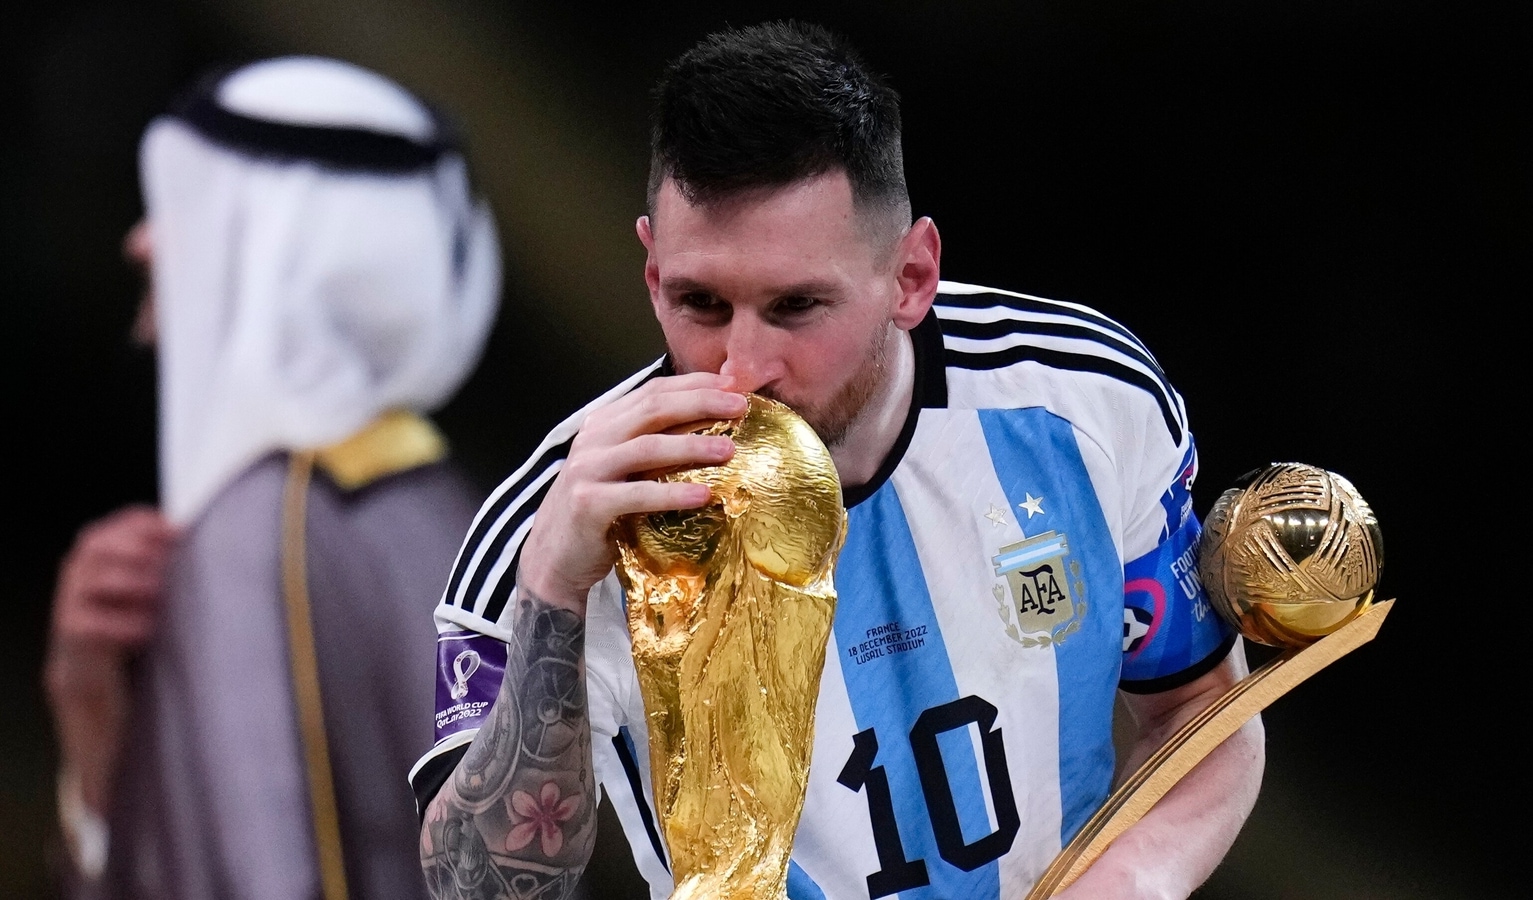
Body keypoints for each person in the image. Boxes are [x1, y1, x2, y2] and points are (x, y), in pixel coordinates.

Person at [412, 20, 1264, 900]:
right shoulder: (549, 526)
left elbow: (1202, 711)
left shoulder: (1088, 402)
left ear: (911, 277)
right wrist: (551, 591)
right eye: (700, 302)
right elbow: (478, 888)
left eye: (794, 307)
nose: (742, 368)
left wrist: (1129, 882)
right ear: (651, 272)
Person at [44, 56, 501, 900]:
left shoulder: (253, 533)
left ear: (278, 244)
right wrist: (97, 735)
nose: (140, 242)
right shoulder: (451, 510)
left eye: (179, 207)